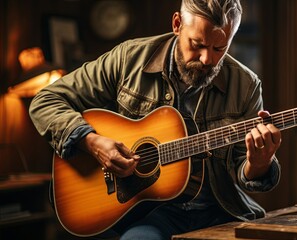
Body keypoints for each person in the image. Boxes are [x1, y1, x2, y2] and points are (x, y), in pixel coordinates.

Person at [29, 0, 282, 239]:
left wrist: (258, 163)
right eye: (197, 44)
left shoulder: (246, 85)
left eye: (219, 48)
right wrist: (91, 141)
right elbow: (46, 100)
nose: (207, 59)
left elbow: (244, 172)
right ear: (176, 25)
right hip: (150, 213)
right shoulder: (129, 59)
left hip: (219, 210)